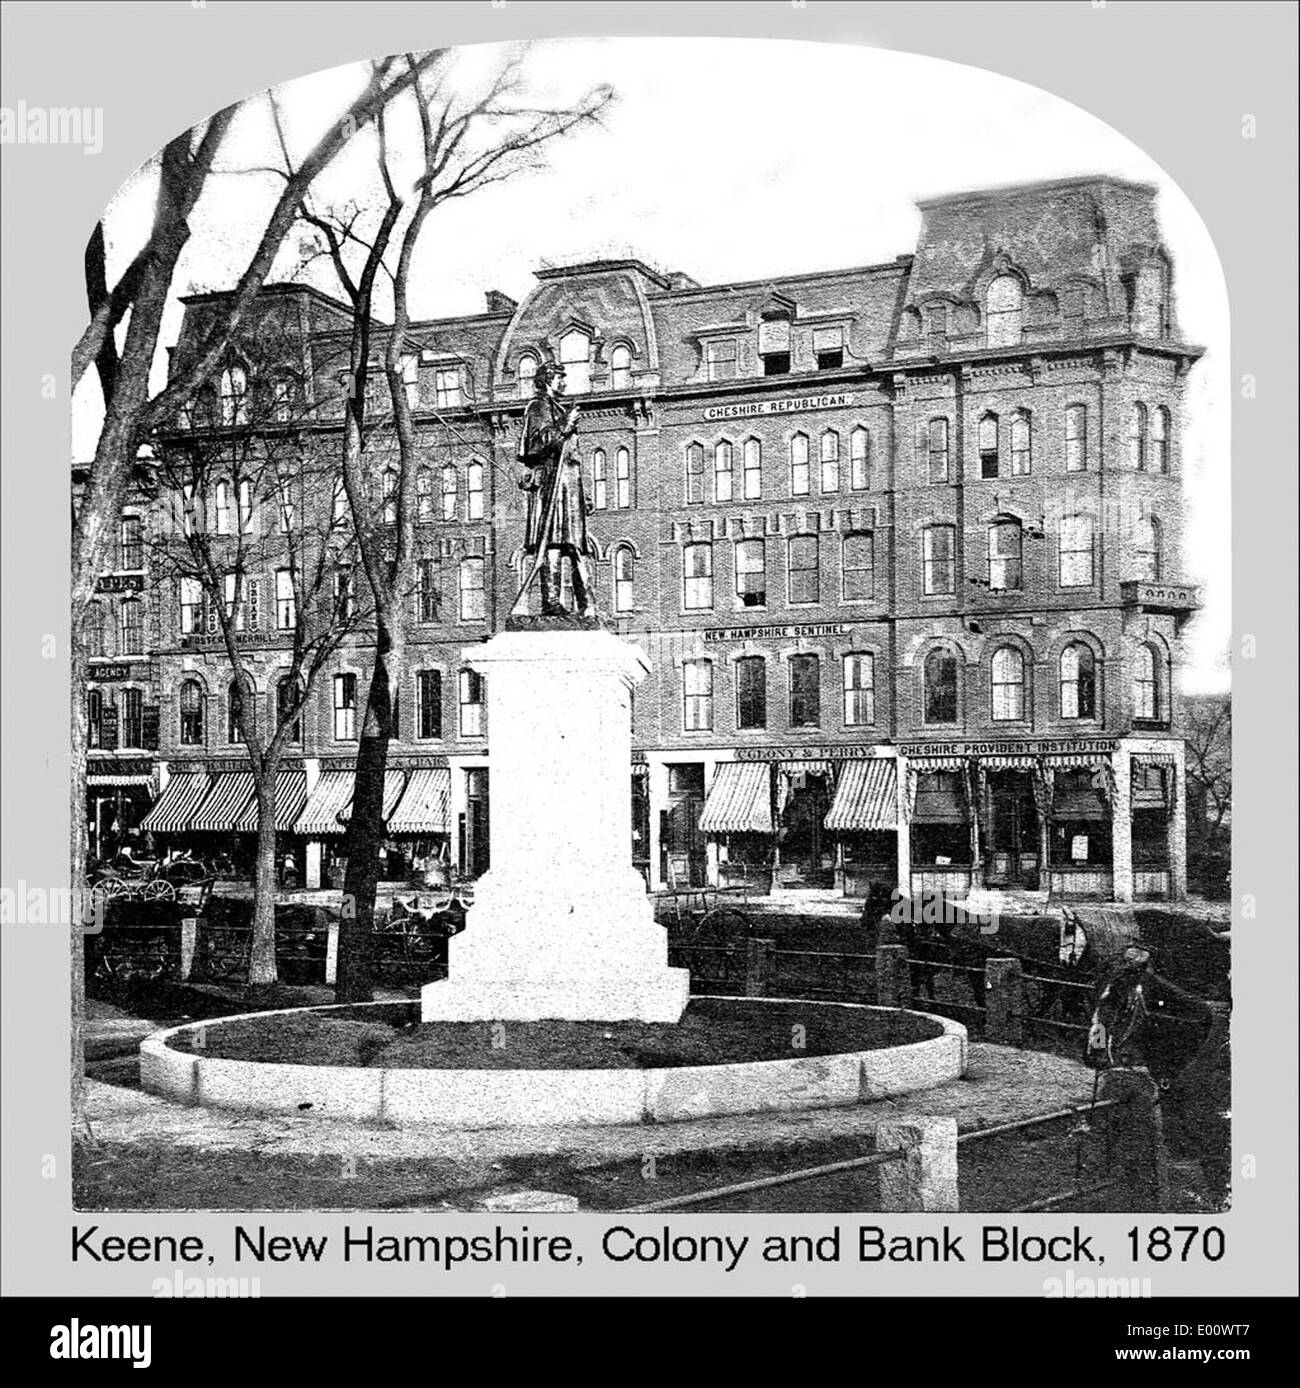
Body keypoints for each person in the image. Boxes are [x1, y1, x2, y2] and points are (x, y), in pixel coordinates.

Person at [515, 362, 597, 617]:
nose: (565, 383)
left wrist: (583, 495)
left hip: (570, 481)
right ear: (549, 379)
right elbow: (536, 444)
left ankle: (587, 605)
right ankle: (551, 602)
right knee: (552, 542)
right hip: (553, 479)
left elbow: (573, 453)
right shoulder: (538, 406)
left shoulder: (558, 407)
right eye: (561, 378)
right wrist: (564, 424)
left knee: (574, 544)